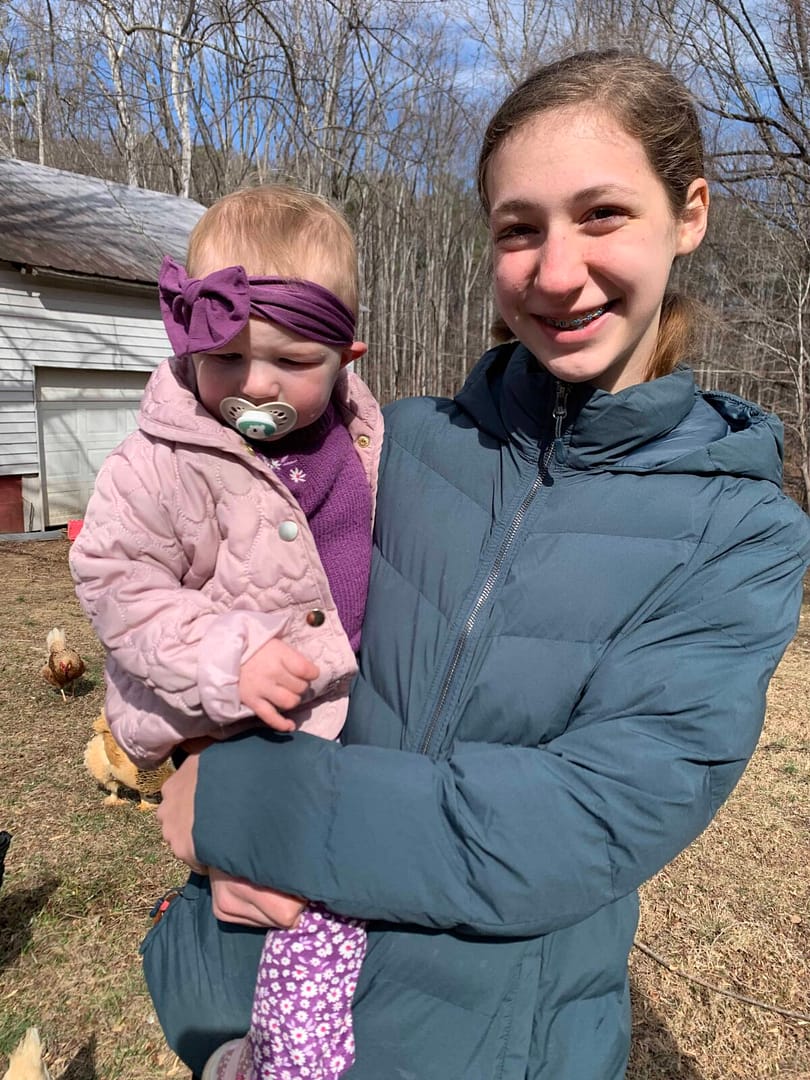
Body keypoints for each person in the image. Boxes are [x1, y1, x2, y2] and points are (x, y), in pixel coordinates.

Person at [152, 50, 810, 1080]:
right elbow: (196, 585)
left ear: (689, 214)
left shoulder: (738, 533)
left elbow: (580, 821)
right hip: (245, 1011)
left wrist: (243, 807)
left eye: (603, 215)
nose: (555, 272)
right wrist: (187, 765)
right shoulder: (389, 446)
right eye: (519, 229)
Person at [69, 184, 383, 1080]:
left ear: (347, 356)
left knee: (331, 902)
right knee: (307, 916)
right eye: (228, 356)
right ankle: (276, 1059)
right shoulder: (163, 458)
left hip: (337, 730)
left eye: (291, 359)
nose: (253, 383)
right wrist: (231, 655)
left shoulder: (366, 440)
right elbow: (113, 576)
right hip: (235, 721)